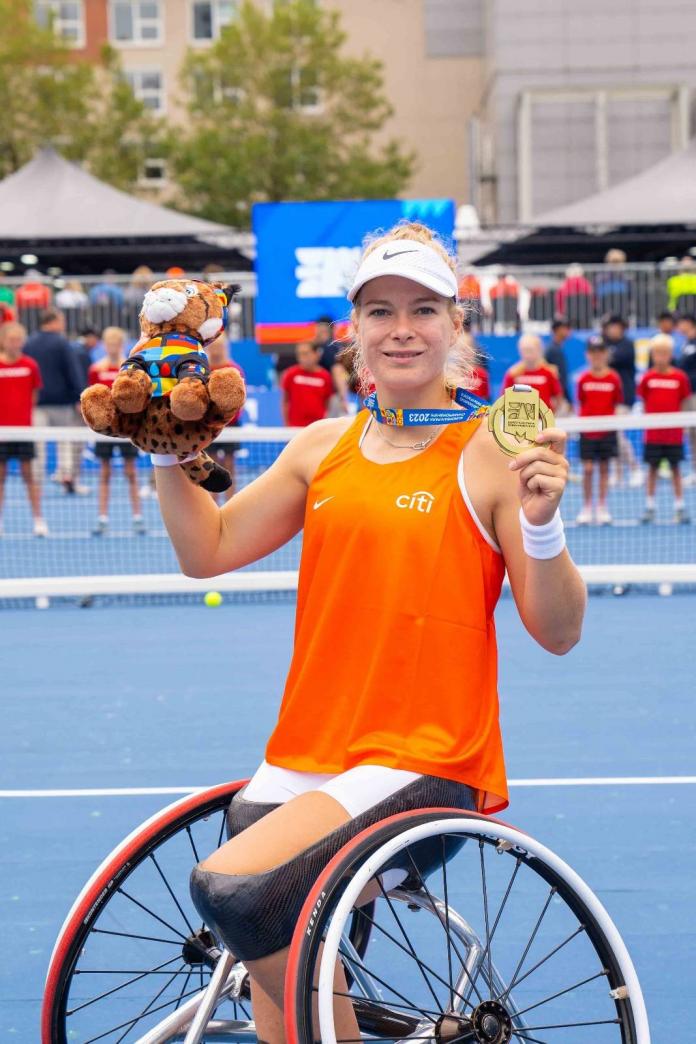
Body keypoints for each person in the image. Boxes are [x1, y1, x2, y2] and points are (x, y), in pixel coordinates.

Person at [151, 221, 585, 1042]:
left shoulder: (493, 448)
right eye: (380, 311)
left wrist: (542, 526)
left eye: (424, 309)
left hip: (426, 757)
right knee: (273, 947)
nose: (402, 329)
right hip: (308, 752)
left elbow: (558, 632)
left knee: (240, 891)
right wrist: (165, 454)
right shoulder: (323, 446)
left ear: (457, 324)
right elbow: (205, 551)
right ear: (355, 330)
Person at [87, 327, 145, 535]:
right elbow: (93, 399)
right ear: (104, 345)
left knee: (131, 472)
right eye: (108, 343)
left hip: (127, 429)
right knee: (105, 473)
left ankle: (138, 517)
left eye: (116, 343)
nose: (112, 347)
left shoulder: (129, 369)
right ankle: (102, 518)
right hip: (105, 431)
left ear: (121, 345)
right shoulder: (96, 369)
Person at [24, 308, 87, 494]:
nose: (64, 324)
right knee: (66, 442)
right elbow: (73, 372)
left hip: (38, 404)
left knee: (38, 445)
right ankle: (66, 475)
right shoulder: (62, 343)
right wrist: (79, 396)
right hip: (62, 404)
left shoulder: (29, 343)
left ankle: (37, 482)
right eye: (61, 320)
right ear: (53, 321)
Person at [637, 334, 691, 524]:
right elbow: (644, 401)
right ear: (652, 354)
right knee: (652, 470)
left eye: (664, 353)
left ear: (670, 354)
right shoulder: (647, 378)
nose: (660, 357)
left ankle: (680, 506)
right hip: (653, 435)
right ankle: (650, 507)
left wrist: (680, 425)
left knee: (676, 470)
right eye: (657, 353)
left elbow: (684, 402)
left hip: (673, 436)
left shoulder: (680, 377)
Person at [0, 322, 48, 537]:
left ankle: (38, 519)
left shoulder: (30, 365)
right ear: (3, 341)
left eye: (18, 339)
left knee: (29, 476)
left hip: (25, 431)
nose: (15, 344)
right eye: (11, 339)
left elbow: (34, 395)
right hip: (2, 432)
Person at [574, 336, 623, 525]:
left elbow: (616, 402)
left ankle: (602, 507)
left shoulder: (614, 378)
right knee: (587, 470)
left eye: (600, 352)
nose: (597, 356)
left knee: (604, 469)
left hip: (607, 431)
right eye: (593, 352)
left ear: (605, 354)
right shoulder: (583, 379)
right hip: (587, 432)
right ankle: (587, 507)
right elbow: (582, 402)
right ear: (588, 355)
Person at [204, 332, 246, 502]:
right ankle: (212, 504)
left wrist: (229, 416)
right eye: (213, 347)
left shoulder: (234, 369)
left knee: (229, 466)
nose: (216, 351)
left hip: (231, 425)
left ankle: (230, 502)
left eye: (219, 346)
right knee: (212, 466)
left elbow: (241, 398)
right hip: (209, 426)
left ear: (225, 348)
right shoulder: (204, 369)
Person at [602, 313, 642, 487]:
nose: (613, 329)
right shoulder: (605, 344)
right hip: (606, 397)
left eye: (616, 326)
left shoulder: (627, 345)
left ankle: (635, 468)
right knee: (611, 435)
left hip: (624, 397)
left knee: (617, 435)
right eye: (610, 326)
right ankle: (617, 473)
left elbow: (611, 359)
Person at [502, 333, 564, 410]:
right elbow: (504, 399)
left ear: (539, 350)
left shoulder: (549, 372)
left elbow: (558, 397)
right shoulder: (513, 373)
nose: (527, 354)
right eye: (524, 350)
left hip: (543, 419)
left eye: (530, 350)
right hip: (520, 420)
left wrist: (550, 415)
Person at [280, 341, 333, 426]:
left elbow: (327, 403)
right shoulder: (290, 374)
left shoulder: (325, 376)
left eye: (305, 354)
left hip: (317, 427)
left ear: (316, 354)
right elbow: (285, 401)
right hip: (295, 427)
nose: (302, 358)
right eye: (299, 354)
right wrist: (287, 424)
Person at [314, 315, 350, 415]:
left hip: (332, 397)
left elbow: (337, 371)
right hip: (329, 396)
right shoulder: (332, 346)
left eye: (318, 327)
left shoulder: (329, 347)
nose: (315, 330)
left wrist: (343, 398)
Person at [676, 313, 696, 485]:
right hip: (688, 396)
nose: (678, 325)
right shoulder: (686, 343)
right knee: (692, 435)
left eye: (681, 321)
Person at [545, 317, 572, 403]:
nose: (568, 330)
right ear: (557, 330)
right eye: (565, 328)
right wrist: (566, 399)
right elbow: (559, 378)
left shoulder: (555, 349)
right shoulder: (554, 351)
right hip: (556, 397)